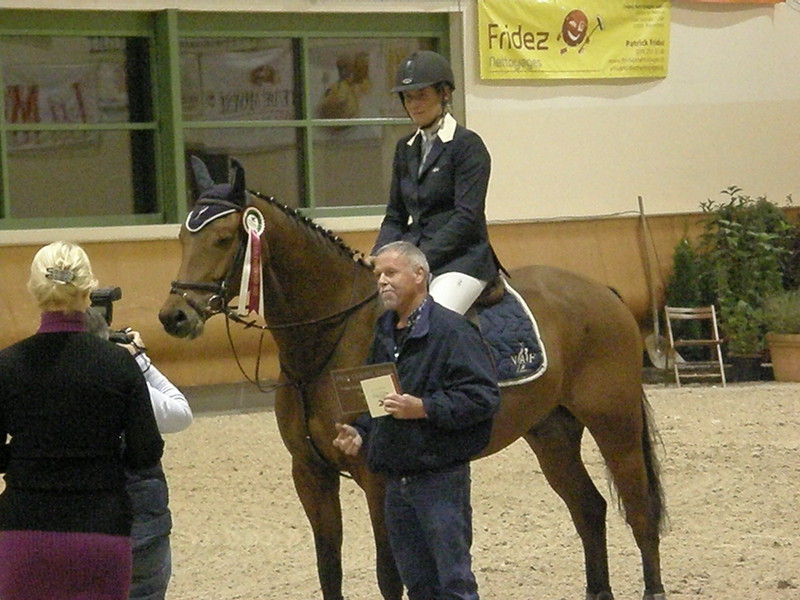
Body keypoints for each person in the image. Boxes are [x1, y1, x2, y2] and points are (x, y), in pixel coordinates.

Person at [334, 241, 500, 600]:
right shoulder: (383, 331)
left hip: (440, 479)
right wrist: (360, 431)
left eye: (391, 273)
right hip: (396, 481)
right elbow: (379, 397)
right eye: (378, 274)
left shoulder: (453, 331)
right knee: (419, 586)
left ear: (419, 275)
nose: (382, 281)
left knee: (454, 583)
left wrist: (424, 407)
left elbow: (483, 397)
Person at [0, 241, 164, 600]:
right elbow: (146, 452)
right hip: (101, 530)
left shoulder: (6, 365)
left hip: (23, 529)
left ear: (34, 291)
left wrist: (24, 458)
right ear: (88, 291)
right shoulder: (119, 364)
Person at [372, 50, 503, 316]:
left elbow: (467, 218)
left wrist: (417, 260)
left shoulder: (467, 146)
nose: (414, 105)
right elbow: (395, 215)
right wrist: (379, 255)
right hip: (414, 261)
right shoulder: (405, 148)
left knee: (431, 317)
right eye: (408, 97)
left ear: (443, 94)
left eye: (422, 96)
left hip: (461, 262)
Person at [84, 309, 193, 600]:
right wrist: (139, 361)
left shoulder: (34, 378)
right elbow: (180, 414)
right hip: (134, 519)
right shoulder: (125, 379)